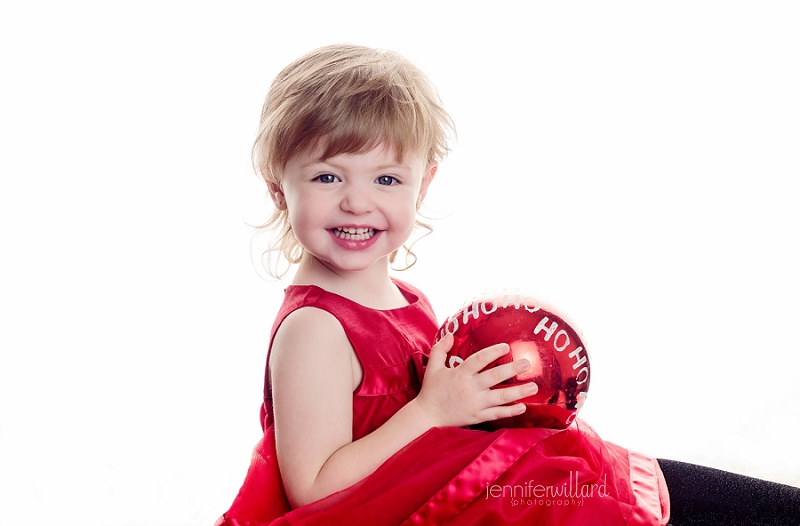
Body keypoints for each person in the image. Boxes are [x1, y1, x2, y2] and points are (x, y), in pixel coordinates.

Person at [215, 44, 800, 526]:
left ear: (423, 187)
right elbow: (314, 490)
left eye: (387, 177)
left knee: (710, 499)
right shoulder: (315, 329)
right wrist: (431, 410)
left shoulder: (403, 298)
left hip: (504, 485)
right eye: (327, 175)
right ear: (276, 187)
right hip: (471, 506)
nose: (357, 201)